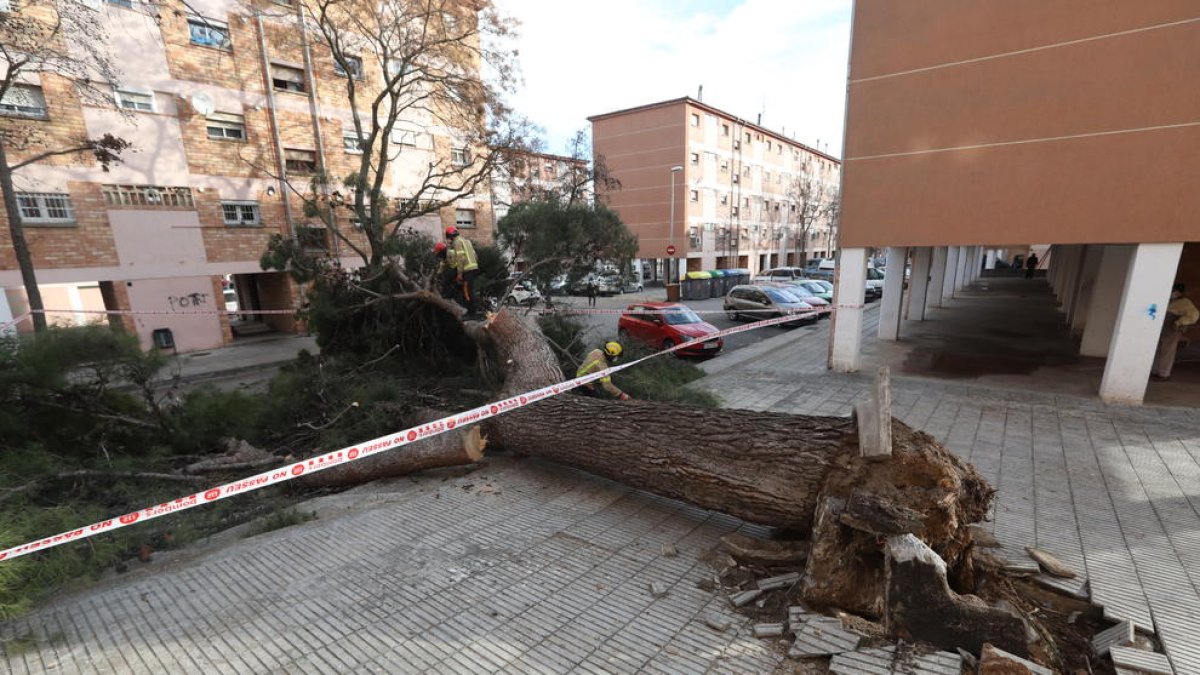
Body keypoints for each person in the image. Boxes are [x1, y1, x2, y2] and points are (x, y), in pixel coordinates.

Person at [1152, 283, 1199, 380]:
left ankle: (1164, 374)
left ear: (1178, 292)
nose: (1172, 292)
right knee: (1158, 350)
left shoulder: (1185, 302)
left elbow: (1194, 315)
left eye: (1173, 290)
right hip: (1163, 329)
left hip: (1172, 330)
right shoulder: (1169, 300)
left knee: (1168, 351)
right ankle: (1155, 371)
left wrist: (1179, 322)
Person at [445, 226, 480, 318]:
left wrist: (459, 273)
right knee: (468, 290)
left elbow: (460, 259)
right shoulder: (466, 241)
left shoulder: (457, 242)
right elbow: (475, 255)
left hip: (467, 269)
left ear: (450, 236)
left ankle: (471, 313)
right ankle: (472, 311)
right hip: (473, 268)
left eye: (449, 238)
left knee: (467, 291)